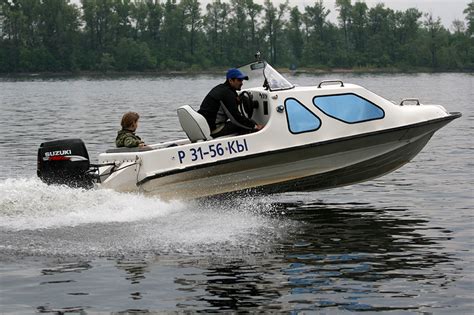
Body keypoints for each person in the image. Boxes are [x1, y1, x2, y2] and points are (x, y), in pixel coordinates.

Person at [198, 68, 263, 138]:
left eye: (242, 80)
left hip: (205, 127)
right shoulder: (228, 94)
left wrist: (237, 101)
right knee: (246, 125)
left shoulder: (221, 88)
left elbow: (231, 101)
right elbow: (236, 118)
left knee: (245, 123)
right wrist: (255, 126)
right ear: (230, 80)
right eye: (239, 80)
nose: (241, 83)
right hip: (214, 129)